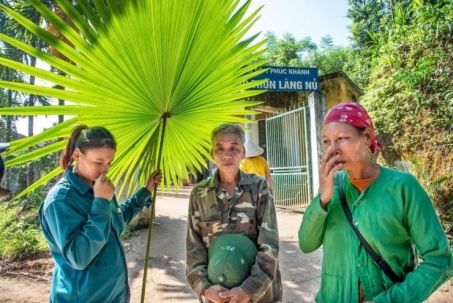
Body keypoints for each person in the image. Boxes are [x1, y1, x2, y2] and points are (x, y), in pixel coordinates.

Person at [298, 101, 453, 302]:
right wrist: (323, 199)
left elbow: (440, 260)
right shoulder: (330, 188)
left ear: (367, 138)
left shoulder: (403, 188)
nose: (333, 149)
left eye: (342, 138)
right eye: (326, 141)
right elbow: (306, 244)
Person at [39, 125, 162, 303]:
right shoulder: (61, 200)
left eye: (109, 163)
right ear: (77, 155)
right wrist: (101, 203)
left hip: (114, 295)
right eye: (98, 162)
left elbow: (116, 221)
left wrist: (145, 191)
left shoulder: (98, 186)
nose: (105, 170)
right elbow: (79, 257)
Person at [186, 123, 282, 303]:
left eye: (233, 148)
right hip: (216, 294)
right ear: (212, 154)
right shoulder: (199, 194)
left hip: (258, 295)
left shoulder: (259, 187)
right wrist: (205, 289)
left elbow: (269, 244)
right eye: (220, 148)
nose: (227, 155)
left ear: (243, 152)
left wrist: (248, 290)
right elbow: (194, 247)